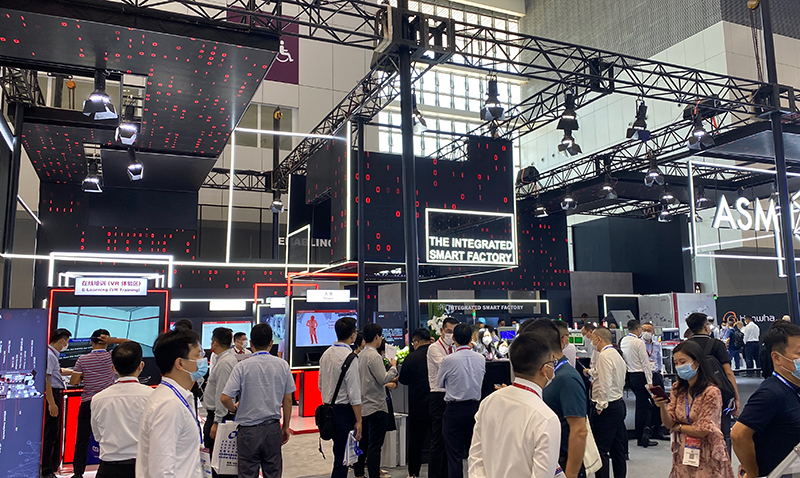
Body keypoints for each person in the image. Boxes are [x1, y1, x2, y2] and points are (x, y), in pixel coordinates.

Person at [468, 332, 561, 477]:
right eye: (552, 363)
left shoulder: (489, 401)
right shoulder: (546, 418)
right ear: (545, 369)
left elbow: (476, 459)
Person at [220, 323, 294, 478]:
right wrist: (286, 426)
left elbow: (225, 397)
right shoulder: (283, 365)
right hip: (273, 428)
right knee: (273, 472)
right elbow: (288, 400)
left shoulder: (242, 366)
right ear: (271, 343)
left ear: (251, 344)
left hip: (248, 430)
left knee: (247, 473)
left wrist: (233, 409)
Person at [651, 341, 733, 478]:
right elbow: (669, 423)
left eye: (683, 362)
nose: (679, 366)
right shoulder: (678, 389)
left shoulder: (711, 392)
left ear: (697, 363)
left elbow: (703, 430)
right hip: (683, 451)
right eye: (676, 363)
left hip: (707, 452)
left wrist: (678, 427)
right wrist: (662, 407)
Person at [732, 321, 800, 478]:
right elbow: (739, 434)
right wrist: (752, 472)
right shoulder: (770, 394)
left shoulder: (794, 388)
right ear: (777, 358)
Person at [137, 328, 207, 478]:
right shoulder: (169, 405)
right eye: (197, 355)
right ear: (180, 363)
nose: (202, 360)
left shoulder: (177, 397)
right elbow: (162, 471)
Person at [527, 319, 588, 478]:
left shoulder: (567, 378)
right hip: (546, 459)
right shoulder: (548, 373)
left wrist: (570, 474)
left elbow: (579, 430)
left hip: (562, 461)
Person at [69, 329, 130, 478]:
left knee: (82, 439)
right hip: (108, 403)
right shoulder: (112, 357)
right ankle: (106, 470)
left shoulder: (82, 359)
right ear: (106, 342)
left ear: (91, 341)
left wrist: (84, 377)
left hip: (88, 403)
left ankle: (78, 473)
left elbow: (74, 381)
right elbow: (131, 344)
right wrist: (113, 341)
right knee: (110, 437)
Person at [90, 342, 153, 478]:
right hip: (142, 468)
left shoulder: (98, 398)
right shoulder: (153, 396)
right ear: (141, 366)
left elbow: (98, 435)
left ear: (113, 368)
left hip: (108, 469)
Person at [686, 312, 740, 455]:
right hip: (719, 394)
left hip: (693, 395)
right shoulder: (716, 344)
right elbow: (728, 372)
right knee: (723, 433)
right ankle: (724, 462)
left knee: (695, 431)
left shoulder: (685, 347)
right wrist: (736, 396)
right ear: (706, 327)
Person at [436, 323, 486, 478]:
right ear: (471, 338)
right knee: (475, 453)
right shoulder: (481, 358)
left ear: (454, 338)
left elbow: (439, 383)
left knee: (454, 455)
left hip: (454, 410)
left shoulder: (448, 360)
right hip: (475, 408)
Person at [318, 317, 362, 478]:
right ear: (353, 335)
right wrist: (359, 420)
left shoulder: (326, 354)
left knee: (339, 454)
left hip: (328, 410)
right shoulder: (350, 357)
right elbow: (354, 393)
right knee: (342, 460)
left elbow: (320, 384)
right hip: (345, 412)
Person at [353, 324, 398, 478]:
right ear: (377, 337)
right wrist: (393, 367)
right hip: (377, 406)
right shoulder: (374, 356)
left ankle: (359, 473)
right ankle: (374, 474)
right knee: (375, 446)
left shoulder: (361, 355)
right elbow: (383, 379)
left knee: (364, 443)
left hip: (364, 406)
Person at [590, 327, 627, 478]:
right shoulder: (616, 354)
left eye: (592, 338)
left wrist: (600, 405)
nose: (591, 342)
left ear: (599, 339)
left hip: (607, 407)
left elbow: (605, 384)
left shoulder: (604, 356)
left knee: (601, 450)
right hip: (618, 403)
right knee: (617, 449)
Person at [427, 316, 459, 478]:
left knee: (449, 440)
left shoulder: (455, 349)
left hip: (452, 397)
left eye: (454, 332)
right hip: (438, 396)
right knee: (438, 440)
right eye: (448, 331)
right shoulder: (434, 348)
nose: (450, 335)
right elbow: (446, 365)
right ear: (441, 331)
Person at [203, 327, 237, 475]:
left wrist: (217, 422)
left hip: (219, 417)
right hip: (220, 416)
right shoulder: (225, 359)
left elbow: (222, 395)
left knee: (217, 461)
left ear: (215, 343)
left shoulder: (224, 363)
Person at [398, 328, 432, 478]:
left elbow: (403, 379)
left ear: (416, 342)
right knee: (437, 442)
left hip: (417, 405)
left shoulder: (412, 358)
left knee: (416, 442)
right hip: (436, 404)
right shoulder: (437, 355)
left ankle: (413, 473)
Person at [619, 319, 655, 448]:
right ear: (638, 329)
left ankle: (641, 435)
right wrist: (650, 381)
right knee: (643, 408)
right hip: (640, 376)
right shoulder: (639, 342)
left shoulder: (623, 340)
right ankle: (642, 437)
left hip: (630, 376)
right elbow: (645, 363)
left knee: (641, 406)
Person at [42, 328, 72, 478]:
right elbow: (46, 379)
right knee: (50, 434)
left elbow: (57, 371)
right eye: (67, 342)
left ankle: (50, 466)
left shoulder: (52, 354)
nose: (66, 345)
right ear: (61, 341)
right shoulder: (49, 355)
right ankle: (47, 470)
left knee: (54, 433)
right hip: (52, 394)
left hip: (55, 394)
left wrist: (74, 372)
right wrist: (52, 403)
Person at [641, 322, 668, 441]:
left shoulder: (656, 345)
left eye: (648, 330)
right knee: (646, 404)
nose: (646, 332)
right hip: (644, 375)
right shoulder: (639, 344)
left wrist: (661, 372)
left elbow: (659, 359)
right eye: (644, 330)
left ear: (653, 332)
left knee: (660, 402)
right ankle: (646, 430)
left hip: (656, 374)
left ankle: (658, 429)